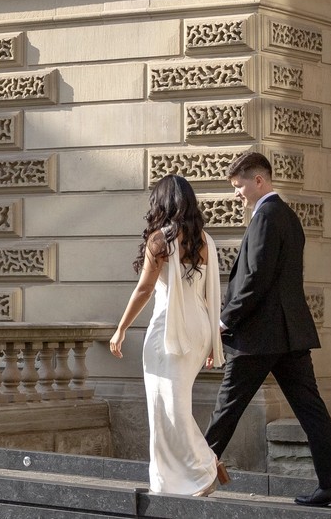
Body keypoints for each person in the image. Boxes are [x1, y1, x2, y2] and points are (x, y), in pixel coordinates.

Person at [204, 151, 331, 508]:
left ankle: (193, 473)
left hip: (259, 337)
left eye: (239, 186)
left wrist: (225, 320)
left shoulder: (267, 216)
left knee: (227, 408)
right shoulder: (287, 216)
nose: (236, 194)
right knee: (311, 410)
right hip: (289, 335)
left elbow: (256, 279)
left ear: (259, 181)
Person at [109, 174, 230, 497]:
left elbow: (145, 289)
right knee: (175, 403)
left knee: (164, 406)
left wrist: (120, 329)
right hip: (199, 327)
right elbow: (209, 294)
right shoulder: (204, 239)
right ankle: (182, 477)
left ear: (159, 204)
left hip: (169, 328)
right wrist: (211, 342)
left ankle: (202, 468)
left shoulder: (159, 240)